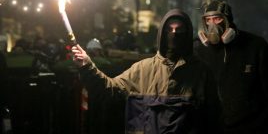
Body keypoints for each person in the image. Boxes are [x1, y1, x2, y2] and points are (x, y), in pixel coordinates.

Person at [72, 9, 207, 134]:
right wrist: (87, 66)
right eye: (169, 29)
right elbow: (109, 89)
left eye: (179, 30)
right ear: (162, 34)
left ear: (187, 33)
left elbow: (212, 117)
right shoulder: (142, 69)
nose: (174, 34)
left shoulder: (201, 72)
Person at [194, 0, 268, 134]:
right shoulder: (200, 51)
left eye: (217, 19)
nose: (212, 24)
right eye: (208, 20)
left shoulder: (256, 46)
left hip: (255, 128)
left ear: (228, 20)